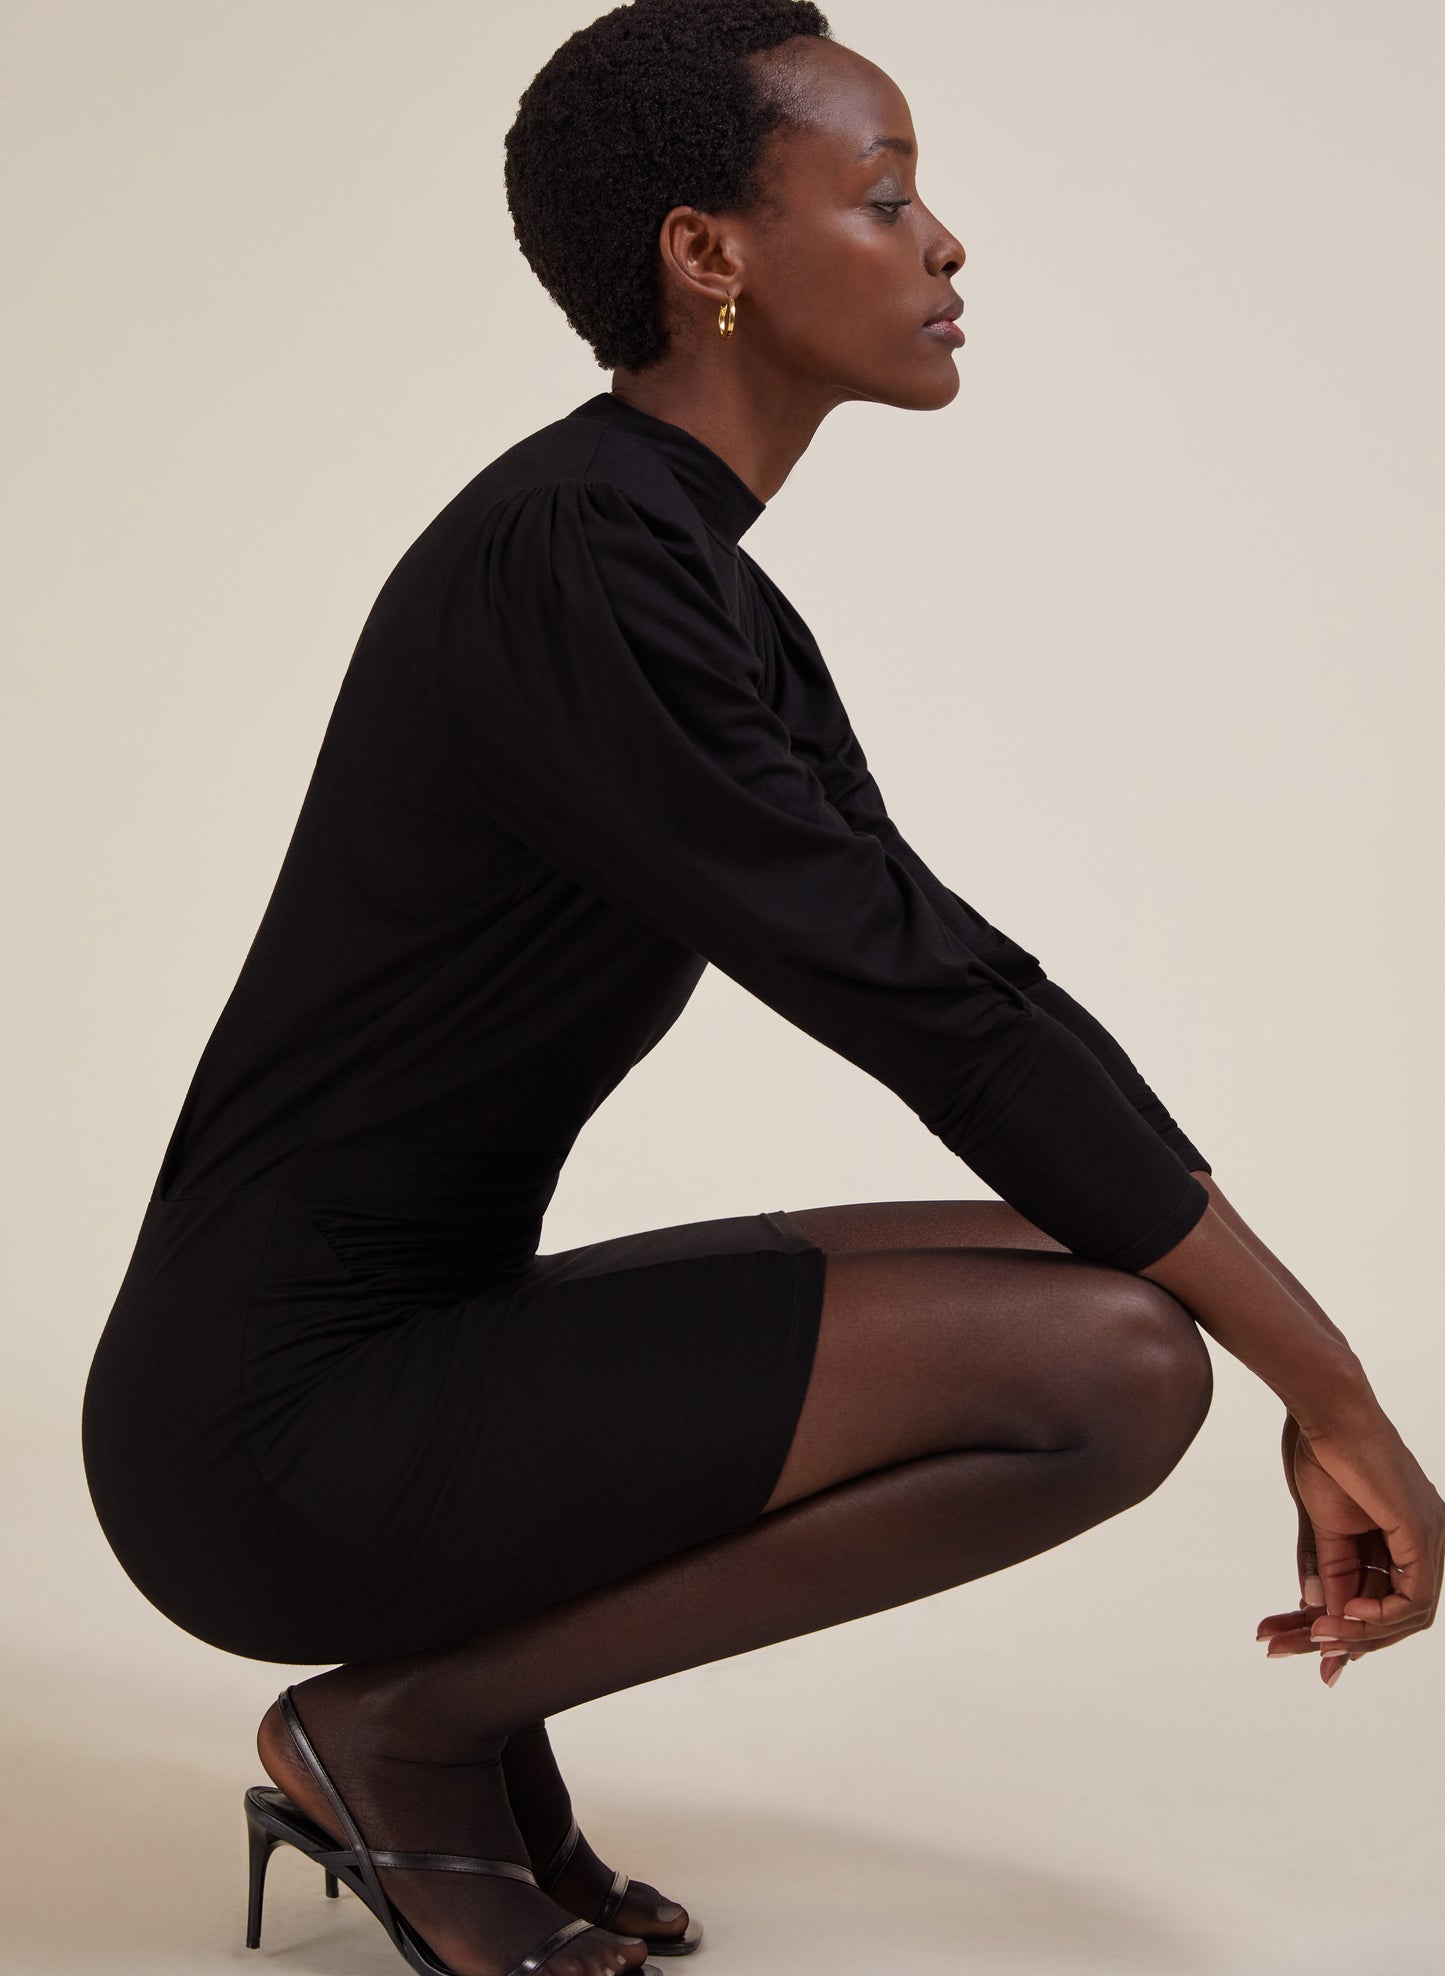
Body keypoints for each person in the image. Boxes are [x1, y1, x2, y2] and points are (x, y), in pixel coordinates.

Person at [80, 5, 1443, 1975]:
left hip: (405, 1353)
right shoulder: (579, 562)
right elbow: (928, 1007)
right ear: (707, 253)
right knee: (1118, 1370)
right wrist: (1335, 1390)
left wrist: (1309, 1361)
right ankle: (408, 1729)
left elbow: (962, 976)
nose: (945, 243)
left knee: (1097, 1274)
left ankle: (457, 1727)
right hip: (278, 1439)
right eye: (884, 198)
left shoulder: (679, 573)